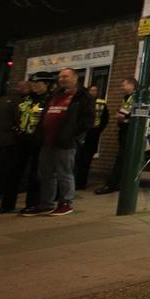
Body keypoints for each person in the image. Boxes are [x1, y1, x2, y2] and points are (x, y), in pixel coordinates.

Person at [20, 68, 93, 216]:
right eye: (60, 77)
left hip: (65, 143)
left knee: (64, 173)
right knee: (46, 174)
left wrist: (71, 135)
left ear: (75, 77)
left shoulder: (82, 96)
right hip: (47, 141)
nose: (62, 79)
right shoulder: (55, 95)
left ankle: (66, 203)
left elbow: (87, 121)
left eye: (65, 76)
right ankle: (46, 204)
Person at [0, 78, 47, 214]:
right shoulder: (25, 99)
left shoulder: (49, 100)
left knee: (35, 175)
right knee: (14, 172)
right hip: (22, 139)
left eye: (39, 84)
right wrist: (16, 129)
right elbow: (16, 114)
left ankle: (32, 204)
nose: (35, 86)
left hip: (38, 141)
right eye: (33, 84)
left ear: (46, 85)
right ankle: (7, 204)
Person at [96, 77, 137, 195]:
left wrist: (121, 116)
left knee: (121, 158)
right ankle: (119, 183)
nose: (122, 87)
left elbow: (121, 115)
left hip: (129, 131)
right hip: (126, 130)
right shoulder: (128, 97)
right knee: (124, 158)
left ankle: (112, 184)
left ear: (131, 85)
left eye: (124, 85)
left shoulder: (133, 97)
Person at [0, 81, 27, 201]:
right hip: (10, 140)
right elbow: (19, 120)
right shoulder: (19, 102)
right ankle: (3, 190)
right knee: (7, 167)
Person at [74, 84, 109, 190]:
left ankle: (81, 183)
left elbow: (105, 118)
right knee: (77, 158)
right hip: (81, 133)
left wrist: (98, 130)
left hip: (93, 133)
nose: (93, 92)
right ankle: (75, 180)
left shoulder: (101, 103)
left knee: (86, 159)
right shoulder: (82, 102)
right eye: (91, 90)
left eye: (95, 90)